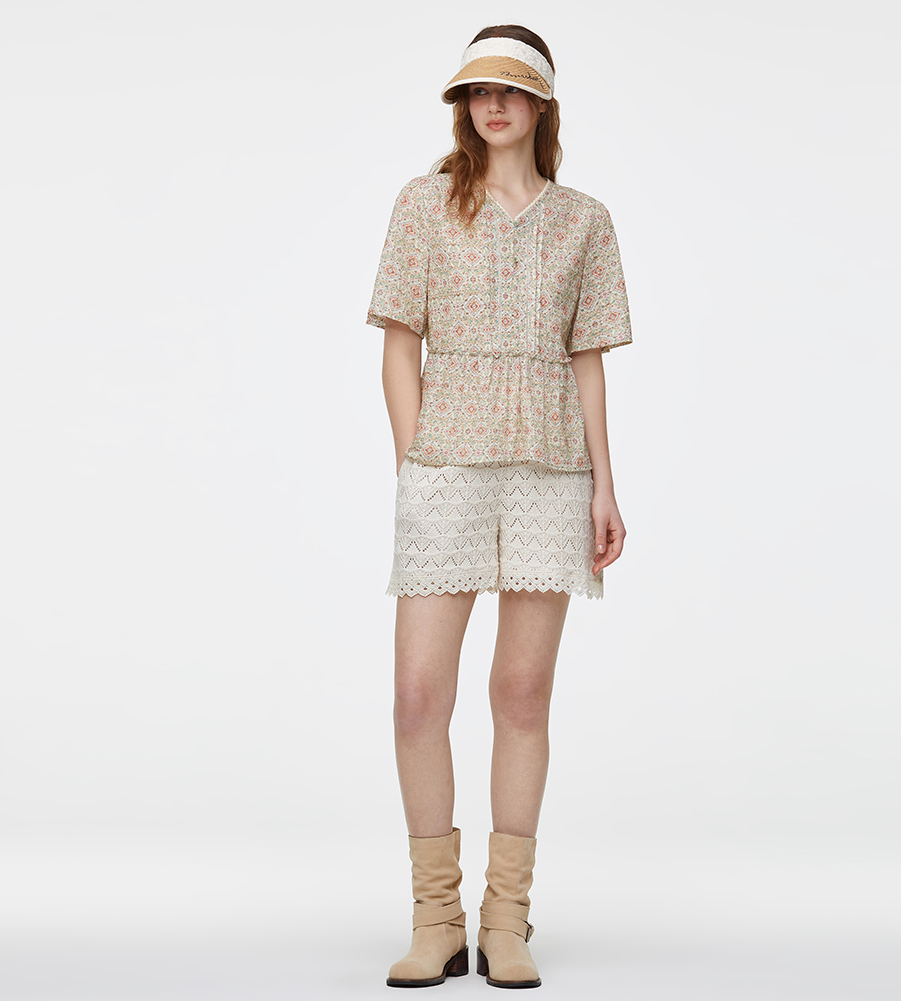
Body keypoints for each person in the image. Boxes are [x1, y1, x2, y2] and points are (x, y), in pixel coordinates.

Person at [367, 24, 632, 989]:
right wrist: (415, 461)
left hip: (549, 471)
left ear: (541, 104)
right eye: (477, 90)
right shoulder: (423, 203)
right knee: (417, 696)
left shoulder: (584, 221)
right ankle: (435, 918)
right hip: (445, 464)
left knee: (520, 694)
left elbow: (587, 361)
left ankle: (505, 918)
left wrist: (604, 484)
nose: (492, 105)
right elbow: (398, 345)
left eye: (510, 90)